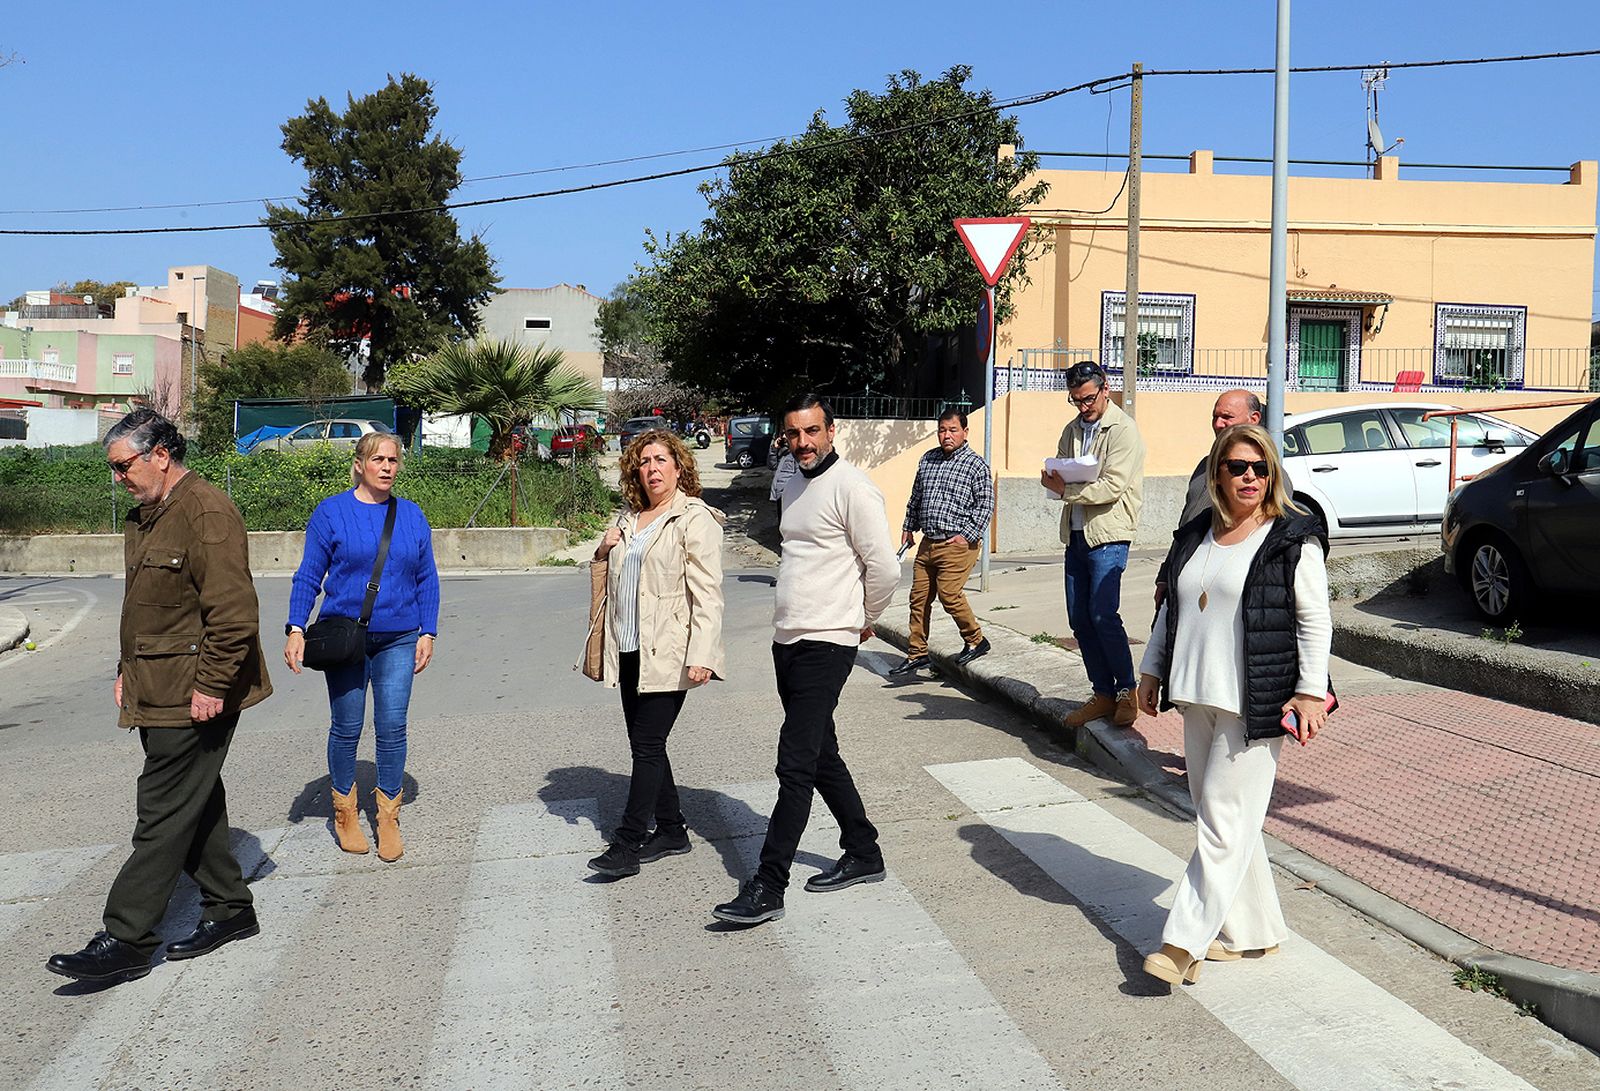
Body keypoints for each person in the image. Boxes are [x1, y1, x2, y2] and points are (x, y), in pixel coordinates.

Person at [47, 410, 272, 985]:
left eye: (124, 466)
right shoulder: (149, 514)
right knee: (192, 800)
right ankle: (230, 908)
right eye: (114, 469)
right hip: (158, 684)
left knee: (161, 808)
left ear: (160, 456)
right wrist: (128, 671)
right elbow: (149, 610)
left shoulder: (205, 511)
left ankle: (126, 936)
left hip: (196, 691)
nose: (118, 477)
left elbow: (234, 615)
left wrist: (212, 686)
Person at [1134, 423, 1332, 986]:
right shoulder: (1198, 531)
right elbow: (1172, 607)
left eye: (1261, 468)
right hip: (1197, 692)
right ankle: (1253, 934)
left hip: (1255, 700)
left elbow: (1315, 620)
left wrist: (1311, 691)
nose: (1251, 478)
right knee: (1225, 820)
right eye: (1238, 467)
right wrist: (1151, 668)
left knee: (1222, 824)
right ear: (1217, 472)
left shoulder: (1293, 536)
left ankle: (1182, 943)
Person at [713, 394, 899, 925]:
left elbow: (883, 567)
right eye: (794, 434)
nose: (803, 443)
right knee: (820, 755)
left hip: (829, 640)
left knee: (794, 763)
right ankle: (864, 851)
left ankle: (769, 885)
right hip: (789, 639)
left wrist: (864, 617)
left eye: (812, 432)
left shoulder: (854, 488)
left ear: (831, 430)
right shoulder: (792, 483)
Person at [284, 431, 440, 863]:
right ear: (359, 464)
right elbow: (309, 574)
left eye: (393, 460)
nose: (387, 467)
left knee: (392, 727)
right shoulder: (331, 513)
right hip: (345, 639)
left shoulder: (410, 515)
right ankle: (345, 811)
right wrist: (296, 627)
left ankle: (388, 816)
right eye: (378, 460)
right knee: (347, 727)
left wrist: (428, 631)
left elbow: (427, 576)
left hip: (400, 636)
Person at [587, 429, 726, 878]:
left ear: (679, 466)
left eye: (661, 459)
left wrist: (702, 654)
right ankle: (671, 828)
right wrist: (603, 548)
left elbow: (708, 594)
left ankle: (627, 844)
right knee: (647, 745)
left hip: (669, 650)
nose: (652, 468)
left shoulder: (693, 519)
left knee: (647, 747)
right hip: (628, 649)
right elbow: (617, 582)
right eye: (644, 461)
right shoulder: (631, 518)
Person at [1041, 361, 1146, 729]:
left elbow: (1112, 486)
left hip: (1108, 534)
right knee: (1080, 620)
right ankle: (1102, 692)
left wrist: (1066, 489)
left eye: (1088, 398)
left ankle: (1126, 692)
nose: (1083, 407)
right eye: (1075, 400)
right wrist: (1054, 478)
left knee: (1103, 615)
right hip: (1075, 533)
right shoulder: (1071, 430)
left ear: (1105, 388)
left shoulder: (1123, 431)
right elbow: (1065, 472)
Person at [1155, 390, 1293, 608]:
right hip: (1184, 581)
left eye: (1227, 417)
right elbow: (1185, 529)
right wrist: (1166, 573)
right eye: (1215, 417)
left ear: (1254, 419)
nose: (1218, 424)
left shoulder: (1268, 477)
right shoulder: (1205, 467)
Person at [890, 408, 995, 675]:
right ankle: (917, 654)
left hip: (957, 544)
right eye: (942, 430)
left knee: (949, 594)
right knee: (919, 599)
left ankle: (975, 639)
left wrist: (966, 535)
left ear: (965, 432)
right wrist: (908, 527)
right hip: (928, 541)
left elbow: (986, 504)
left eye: (953, 430)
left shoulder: (975, 464)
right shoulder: (928, 460)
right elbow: (916, 497)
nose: (946, 435)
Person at [769, 436, 798, 507]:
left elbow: (799, 475)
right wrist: (774, 449)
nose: (784, 437)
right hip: (779, 493)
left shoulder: (797, 453)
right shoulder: (782, 451)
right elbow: (772, 466)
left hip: (789, 494)